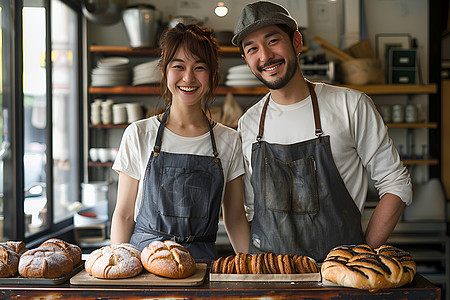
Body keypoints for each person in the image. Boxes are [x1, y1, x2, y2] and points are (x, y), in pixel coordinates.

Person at [233, 1, 412, 261]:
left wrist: (362, 255)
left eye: (273, 41)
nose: (265, 56)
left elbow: (396, 184)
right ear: (246, 59)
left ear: (296, 42)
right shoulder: (248, 123)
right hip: (271, 279)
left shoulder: (351, 105)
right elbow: (249, 210)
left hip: (338, 279)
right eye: (252, 49)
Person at [110, 23, 250, 260]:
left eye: (199, 67)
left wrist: (253, 269)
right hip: (145, 268)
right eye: (179, 66)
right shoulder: (139, 133)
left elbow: (235, 217)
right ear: (165, 71)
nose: (188, 77)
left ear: (213, 75)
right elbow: (123, 215)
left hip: (201, 267)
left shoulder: (229, 140)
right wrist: (118, 271)